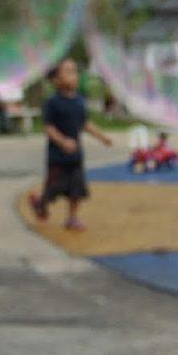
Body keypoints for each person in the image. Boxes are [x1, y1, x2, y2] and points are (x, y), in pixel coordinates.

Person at [32, 58, 112, 231]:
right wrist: (62, 141)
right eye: (68, 72)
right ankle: (40, 203)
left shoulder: (79, 101)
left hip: (76, 156)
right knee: (53, 188)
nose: (74, 76)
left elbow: (84, 123)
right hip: (57, 157)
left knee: (77, 190)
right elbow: (48, 128)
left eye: (75, 71)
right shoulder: (52, 102)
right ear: (56, 80)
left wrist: (102, 137)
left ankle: (72, 218)